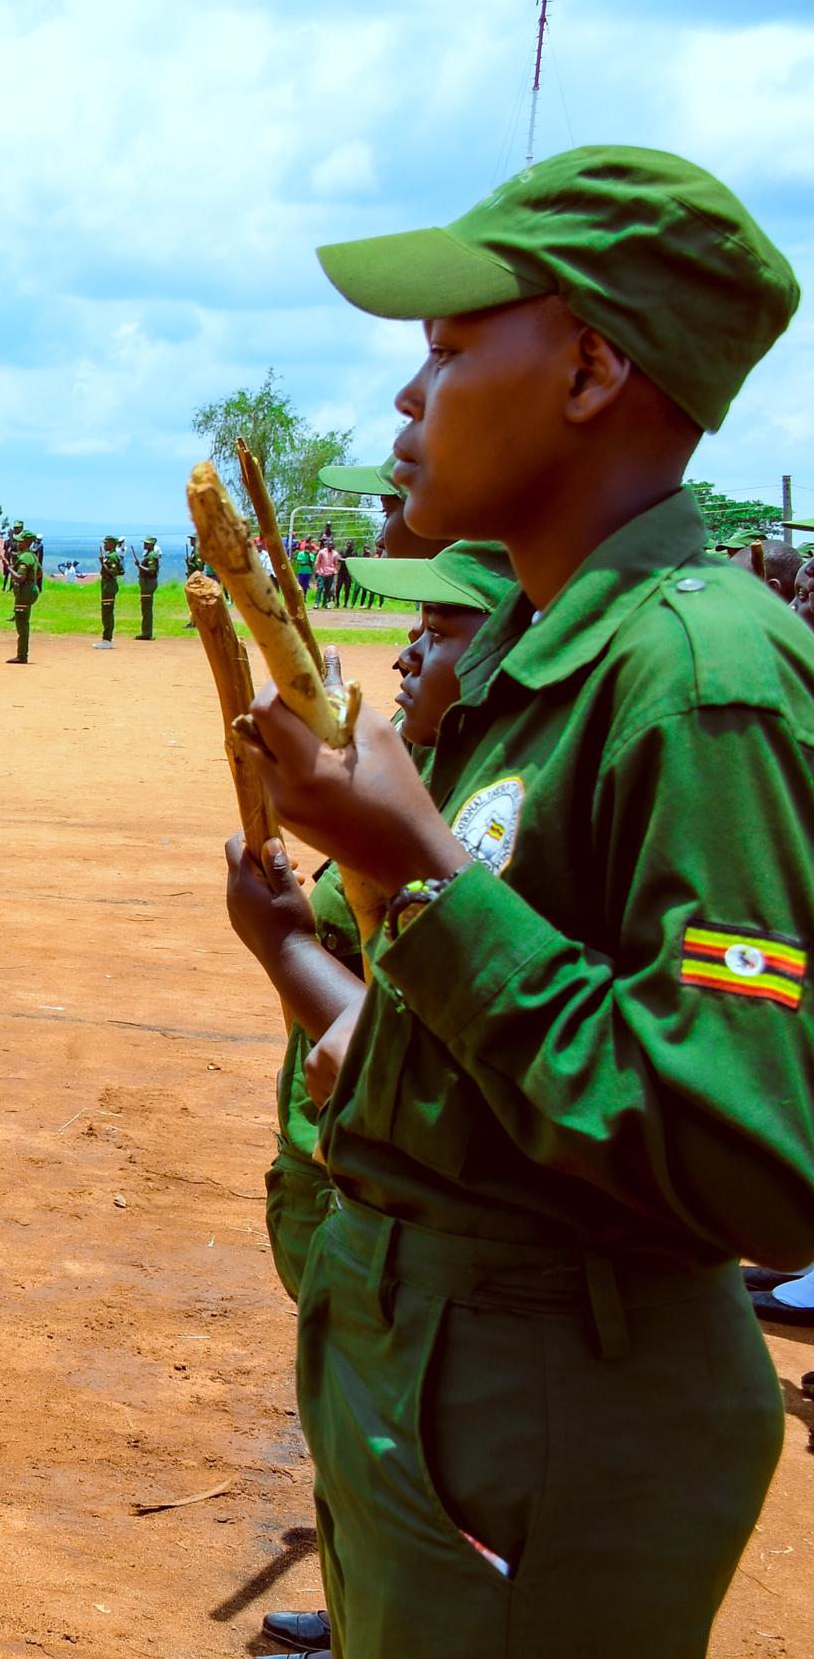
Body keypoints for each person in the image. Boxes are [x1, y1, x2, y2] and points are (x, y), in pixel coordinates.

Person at [248, 144, 811, 1657]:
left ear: (592, 367)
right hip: (437, 1353)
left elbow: (746, 1153)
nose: (406, 401)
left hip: (555, 1383)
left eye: (444, 348)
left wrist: (421, 875)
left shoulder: (699, 678)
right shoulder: (544, 655)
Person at [225, 537, 517, 1659]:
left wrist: (288, 948)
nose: (406, 648)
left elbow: (410, 1011)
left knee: (404, 1430)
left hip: (390, 1167)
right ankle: (355, 1609)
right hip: (324, 1145)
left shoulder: (459, 812)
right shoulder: (396, 779)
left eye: (441, 630)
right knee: (348, 1414)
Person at [5, 527, 43, 663]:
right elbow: (39, 573)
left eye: (19, 541)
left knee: (22, 624)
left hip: (24, 592)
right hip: (30, 589)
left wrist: (9, 568)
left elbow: (20, 577)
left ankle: (22, 655)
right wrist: (31, 580)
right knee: (23, 622)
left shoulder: (25, 557)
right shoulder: (32, 556)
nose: (17, 543)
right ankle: (22, 654)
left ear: (26, 542)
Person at [95, 534, 123, 647]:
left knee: (107, 613)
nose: (104, 545)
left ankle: (107, 640)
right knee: (106, 612)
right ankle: (106, 639)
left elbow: (113, 572)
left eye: (106, 543)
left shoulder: (112, 556)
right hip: (107, 584)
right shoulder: (111, 555)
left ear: (111, 544)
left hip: (109, 585)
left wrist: (102, 563)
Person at [135, 536, 162, 639]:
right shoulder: (150, 554)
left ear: (152, 545)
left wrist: (139, 566)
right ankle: (146, 632)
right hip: (147, 583)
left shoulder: (151, 555)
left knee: (146, 609)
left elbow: (151, 571)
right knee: (146, 608)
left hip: (148, 583)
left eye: (147, 543)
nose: (144, 545)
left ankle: (146, 633)